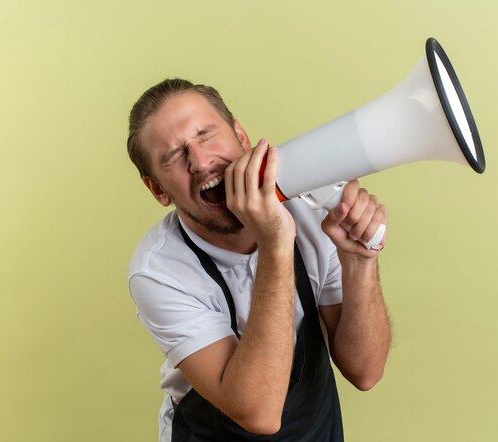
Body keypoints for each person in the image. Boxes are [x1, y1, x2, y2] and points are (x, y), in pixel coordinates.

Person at [126, 78, 391, 442]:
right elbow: (260, 413)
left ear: (240, 134)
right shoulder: (159, 271)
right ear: (158, 189)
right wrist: (276, 242)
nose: (201, 162)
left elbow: (365, 371)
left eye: (206, 134)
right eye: (173, 157)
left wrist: (359, 262)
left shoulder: (310, 209)